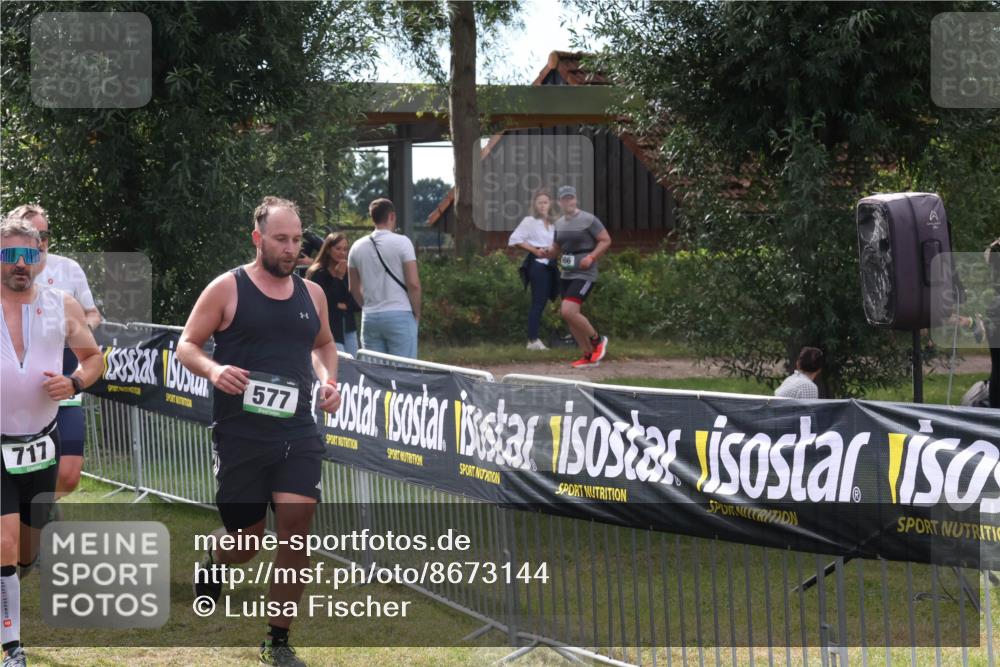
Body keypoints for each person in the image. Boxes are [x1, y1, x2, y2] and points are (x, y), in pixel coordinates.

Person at [177, 196, 342, 667]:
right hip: (240, 435)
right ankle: (214, 558)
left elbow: (324, 344)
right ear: (258, 238)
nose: (292, 249)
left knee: (295, 529)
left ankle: (277, 640)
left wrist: (329, 380)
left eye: (296, 240)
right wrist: (213, 369)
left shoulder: (312, 295)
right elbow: (187, 344)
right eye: (281, 240)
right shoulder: (228, 288)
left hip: (298, 432)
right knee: (247, 539)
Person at [1, 216, 102, 667]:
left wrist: (75, 383)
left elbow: (93, 359)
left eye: (29, 254)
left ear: (40, 256)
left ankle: (18, 574)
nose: (21, 264)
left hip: (41, 441)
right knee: (3, 542)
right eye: (10, 255)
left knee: (26, 547)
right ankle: (12, 647)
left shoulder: (62, 305)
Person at [6, 204, 102, 503]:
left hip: (62, 377)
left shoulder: (67, 269)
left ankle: (39, 509)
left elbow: (92, 315)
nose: (40, 238)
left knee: (69, 474)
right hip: (13, 390)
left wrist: (65, 332)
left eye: (44, 233)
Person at [546, 185, 611, 368]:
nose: (568, 202)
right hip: (567, 272)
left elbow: (606, 240)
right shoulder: (558, 224)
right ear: (559, 202)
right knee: (569, 315)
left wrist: (592, 257)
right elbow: (556, 248)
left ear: (575, 199)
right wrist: (546, 253)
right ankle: (588, 355)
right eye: (564, 199)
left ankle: (598, 340)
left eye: (570, 198)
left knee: (568, 311)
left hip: (585, 273)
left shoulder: (588, 220)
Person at [347, 198, 421, 359]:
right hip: (400, 313)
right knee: (403, 372)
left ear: (372, 217)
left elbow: (353, 288)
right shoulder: (403, 243)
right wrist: (416, 312)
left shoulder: (356, 247)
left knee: (375, 375)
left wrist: (366, 306)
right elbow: (413, 283)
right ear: (392, 216)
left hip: (370, 317)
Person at [509, 189, 560, 350]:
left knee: (552, 299)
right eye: (540, 203)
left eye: (545, 202)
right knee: (538, 302)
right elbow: (514, 239)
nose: (543, 205)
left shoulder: (554, 224)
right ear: (535, 205)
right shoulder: (529, 221)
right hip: (537, 264)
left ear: (550, 204)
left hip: (551, 264)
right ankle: (532, 340)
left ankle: (562, 337)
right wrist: (534, 250)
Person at [306, 233, 360, 356]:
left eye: (345, 249)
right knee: (340, 366)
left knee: (354, 367)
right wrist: (338, 278)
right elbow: (325, 301)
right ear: (328, 250)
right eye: (338, 248)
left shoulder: (348, 272)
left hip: (348, 328)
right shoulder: (318, 273)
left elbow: (357, 302)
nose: (342, 253)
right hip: (330, 330)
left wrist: (346, 305)